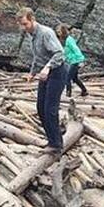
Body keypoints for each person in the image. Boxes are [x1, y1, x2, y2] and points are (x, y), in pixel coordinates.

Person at [18, 8, 68, 153]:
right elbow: (38, 57)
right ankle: (53, 138)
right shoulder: (31, 34)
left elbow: (60, 53)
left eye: (25, 24)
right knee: (40, 108)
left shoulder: (46, 33)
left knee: (50, 109)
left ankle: (56, 145)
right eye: (21, 25)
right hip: (45, 73)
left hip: (57, 71)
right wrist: (32, 73)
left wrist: (47, 67)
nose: (23, 28)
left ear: (32, 19)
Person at [55, 24, 88, 98]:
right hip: (71, 61)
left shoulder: (69, 40)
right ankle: (84, 90)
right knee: (75, 78)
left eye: (59, 31)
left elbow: (76, 49)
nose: (58, 33)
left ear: (63, 31)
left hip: (75, 61)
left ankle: (68, 94)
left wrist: (81, 60)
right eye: (57, 32)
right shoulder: (64, 40)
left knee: (67, 78)